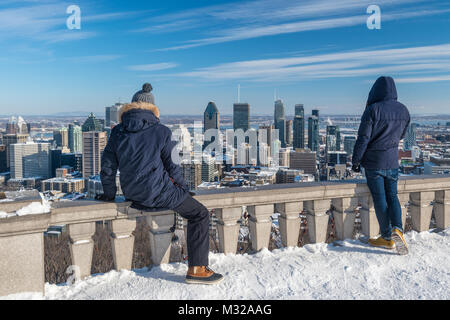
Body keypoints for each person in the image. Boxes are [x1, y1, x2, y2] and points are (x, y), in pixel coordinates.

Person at [98, 83, 224, 284]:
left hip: (132, 194)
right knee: (199, 214)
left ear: (131, 107)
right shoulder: (162, 131)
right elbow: (174, 166)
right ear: (153, 109)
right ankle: (198, 269)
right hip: (161, 192)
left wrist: (109, 194)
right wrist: (182, 189)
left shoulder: (117, 132)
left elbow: (108, 167)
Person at [352, 76, 410, 255]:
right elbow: (401, 136)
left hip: (374, 163)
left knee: (380, 199)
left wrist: (355, 161)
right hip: (392, 161)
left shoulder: (372, 110)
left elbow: (363, 139)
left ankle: (386, 237)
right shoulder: (403, 110)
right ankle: (398, 229)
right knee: (393, 196)